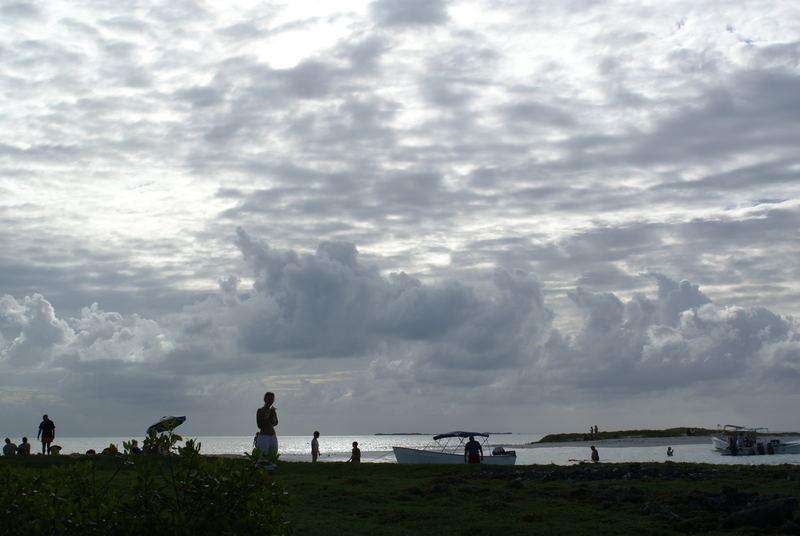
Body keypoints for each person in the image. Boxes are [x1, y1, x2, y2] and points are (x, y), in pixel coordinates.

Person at [255, 391, 279, 457]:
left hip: (273, 436)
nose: (271, 401)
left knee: (273, 457)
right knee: (263, 457)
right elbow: (259, 425)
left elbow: (276, 422)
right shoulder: (260, 411)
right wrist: (270, 417)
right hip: (264, 437)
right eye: (269, 399)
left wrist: (273, 415)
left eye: (272, 399)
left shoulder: (272, 411)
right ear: (265, 399)